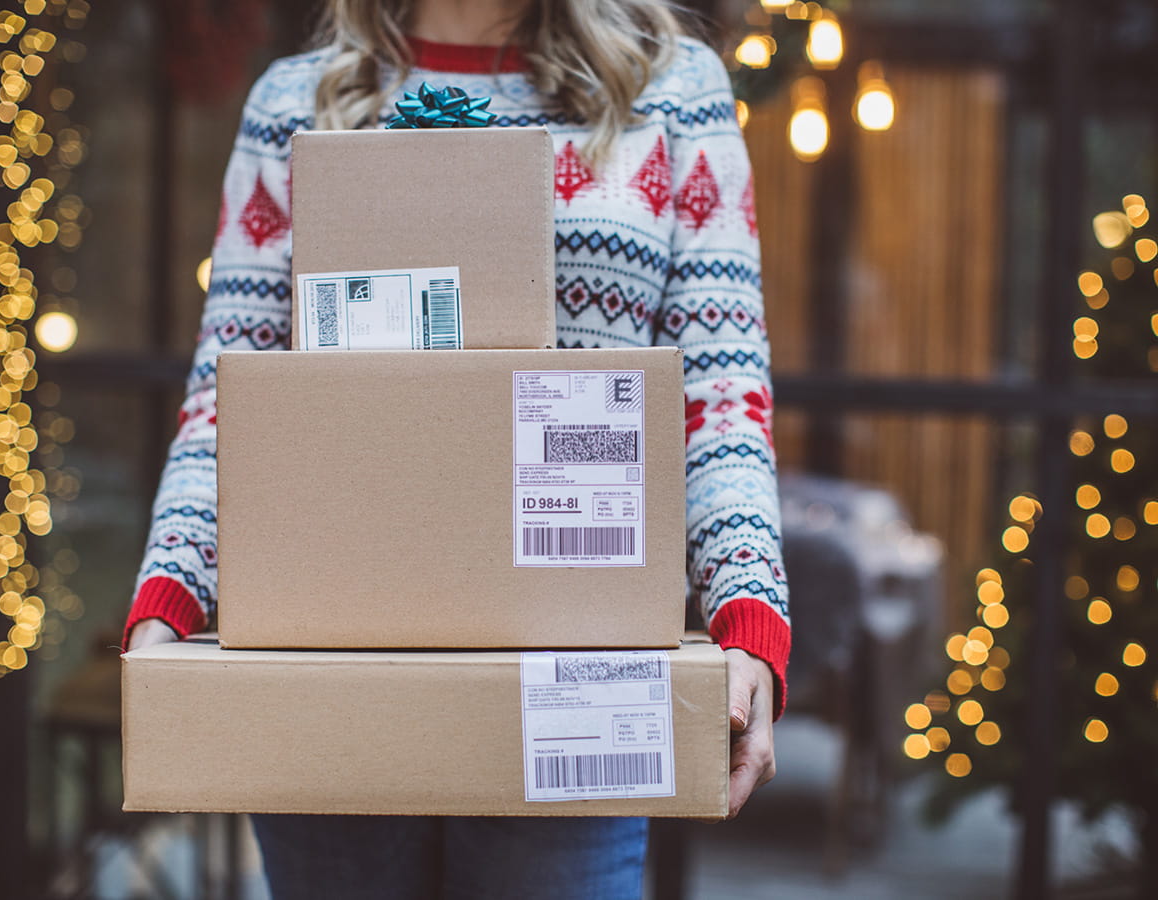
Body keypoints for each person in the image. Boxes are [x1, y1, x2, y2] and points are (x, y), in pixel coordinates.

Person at [125, 0, 790, 895]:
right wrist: (171, 590)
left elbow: (719, 391)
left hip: (578, 671)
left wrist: (748, 608)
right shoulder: (301, 103)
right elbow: (228, 396)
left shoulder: (670, 94)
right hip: (334, 670)